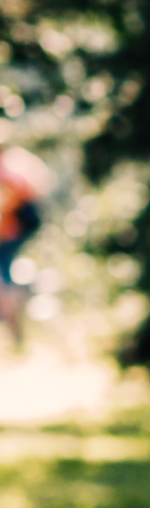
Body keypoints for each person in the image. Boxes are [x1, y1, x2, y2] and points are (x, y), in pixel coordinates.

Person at [0, 146, 48, 357]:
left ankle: (12, 319)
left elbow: (11, 199)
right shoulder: (15, 159)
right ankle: (14, 321)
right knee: (5, 273)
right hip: (22, 223)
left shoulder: (7, 168)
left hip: (16, 225)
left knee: (4, 275)